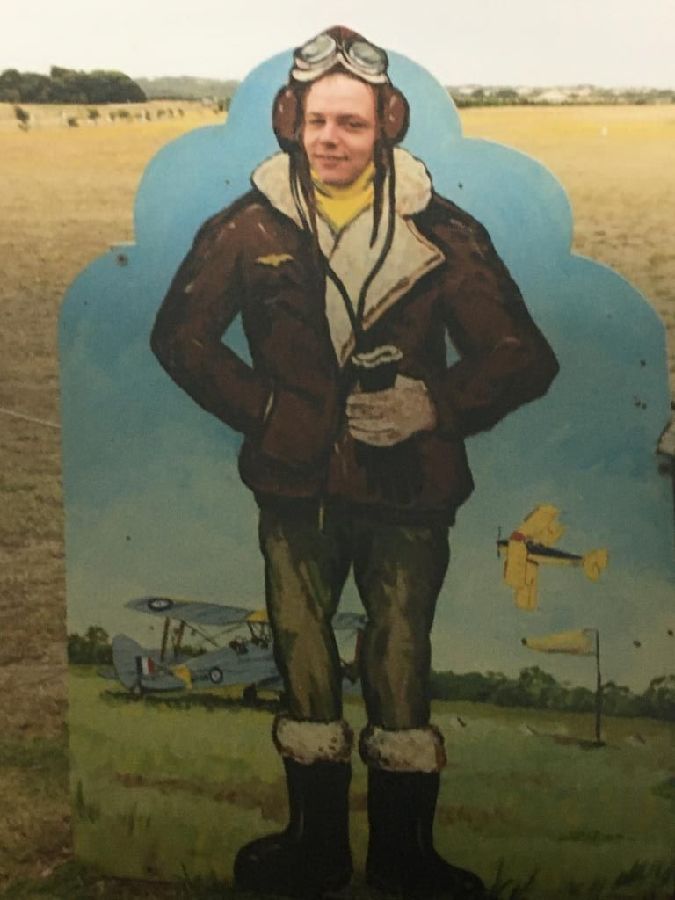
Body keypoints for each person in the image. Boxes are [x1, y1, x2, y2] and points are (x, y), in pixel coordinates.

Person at [150, 26, 559, 899]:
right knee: (300, 652)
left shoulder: (442, 230)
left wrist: (432, 403)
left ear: (387, 126)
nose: (330, 139)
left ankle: (405, 856)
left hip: (409, 487)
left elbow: (521, 355)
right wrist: (268, 413)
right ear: (289, 119)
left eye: (352, 123)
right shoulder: (246, 226)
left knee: (400, 654)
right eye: (317, 121)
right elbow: (181, 337)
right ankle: (315, 848)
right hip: (292, 485)